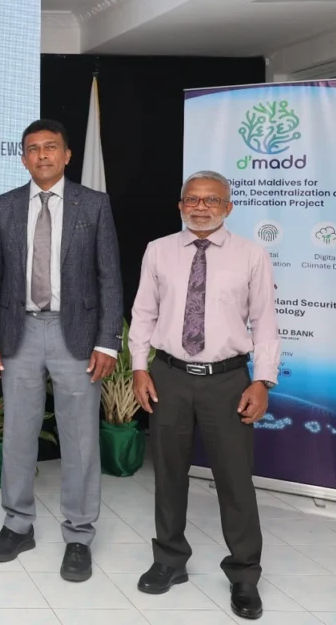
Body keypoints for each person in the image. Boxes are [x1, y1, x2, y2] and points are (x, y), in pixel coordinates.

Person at [0, 118, 122, 583]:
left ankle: (78, 535)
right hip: (17, 332)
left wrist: (108, 341)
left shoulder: (93, 204)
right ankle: (18, 525)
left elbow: (109, 277)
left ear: (67, 155)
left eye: (50, 147)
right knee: (18, 434)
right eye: (33, 148)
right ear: (23, 158)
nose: (42, 155)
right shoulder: (3, 206)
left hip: (75, 334)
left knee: (80, 439)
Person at [128, 170, 277, 620]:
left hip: (228, 381)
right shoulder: (158, 250)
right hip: (169, 376)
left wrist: (262, 380)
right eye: (192, 199)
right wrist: (139, 368)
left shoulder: (251, 255)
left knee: (235, 479)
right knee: (168, 473)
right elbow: (143, 313)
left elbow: (265, 322)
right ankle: (169, 560)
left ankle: (244, 574)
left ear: (228, 207)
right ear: (180, 206)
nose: (200, 207)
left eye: (212, 200)